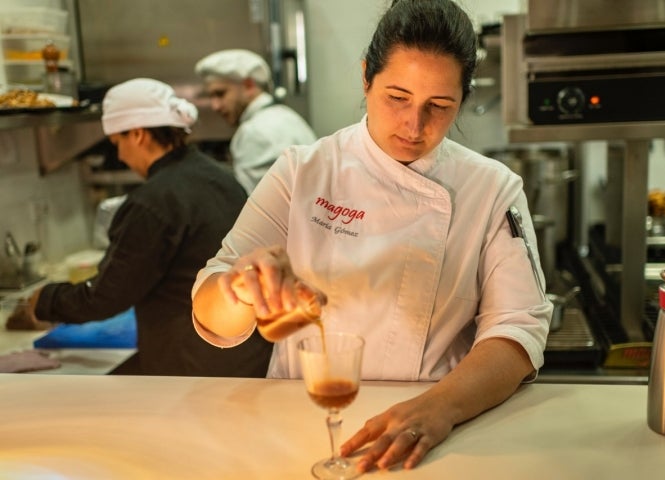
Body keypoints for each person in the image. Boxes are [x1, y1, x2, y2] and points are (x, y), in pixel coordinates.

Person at [191, 0, 551, 472]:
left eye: (439, 106)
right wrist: (240, 288)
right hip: (302, 420)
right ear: (366, 77)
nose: (414, 124)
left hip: (437, 426)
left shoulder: (491, 188)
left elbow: (518, 329)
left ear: (463, 97)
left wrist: (440, 408)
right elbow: (213, 304)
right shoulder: (304, 171)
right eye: (397, 97)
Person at [22, 78, 272, 377]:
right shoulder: (217, 176)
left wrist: (42, 303)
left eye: (118, 143)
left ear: (138, 135)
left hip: (195, 365)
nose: (121, 156)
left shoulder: (153, 201)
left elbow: (106, 296)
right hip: (245, 351)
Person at [194, 49, 317, 194]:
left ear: (248, 86)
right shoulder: (286, 116)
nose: (215, 106)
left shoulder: (254, 132)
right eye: (211, 96)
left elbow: (256, 206)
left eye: (221, 94)